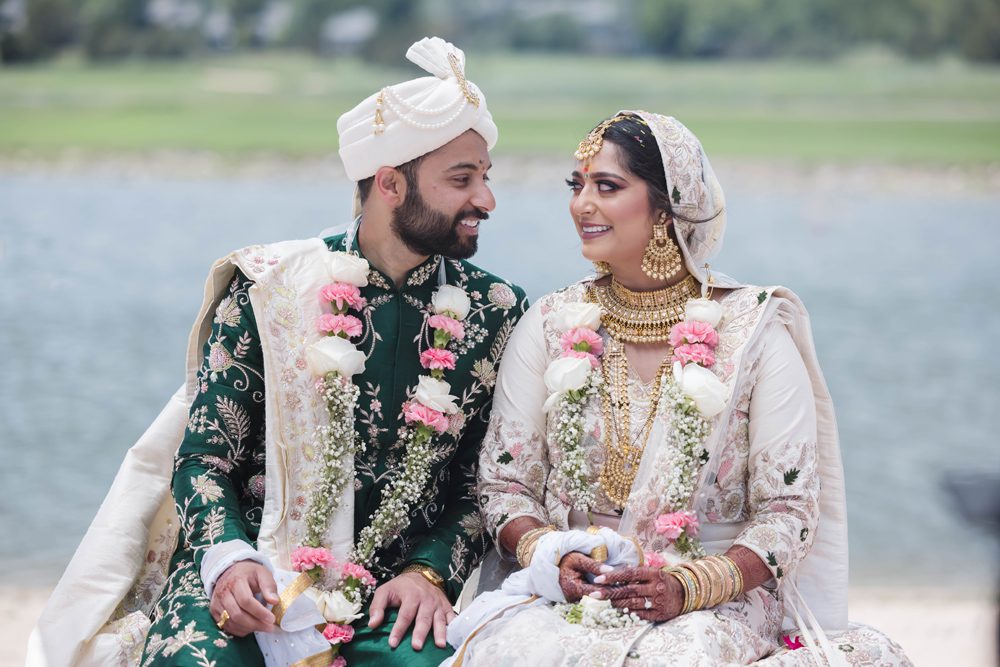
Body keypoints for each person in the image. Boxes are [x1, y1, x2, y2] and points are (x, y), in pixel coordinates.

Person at [27, 37, 527, 667]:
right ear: (391, 184)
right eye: (463, 179)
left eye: (485, 177)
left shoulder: (496, 310)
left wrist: (429, 573)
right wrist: (229, 561)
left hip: (390, 588)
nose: (486, 200)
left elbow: (480, 482)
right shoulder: (268, 288)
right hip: (254, 573)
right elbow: (205, 458)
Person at [445, 111, 911, 666]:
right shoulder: (549, 325)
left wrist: (691, 586)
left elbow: (789, 509)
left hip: (716, 598)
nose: (581, 205)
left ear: (667, 208)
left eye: (607, 187)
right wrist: (551, 556)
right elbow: (503, 486)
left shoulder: (754, 332)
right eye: (577, 186)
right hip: (573, 589)